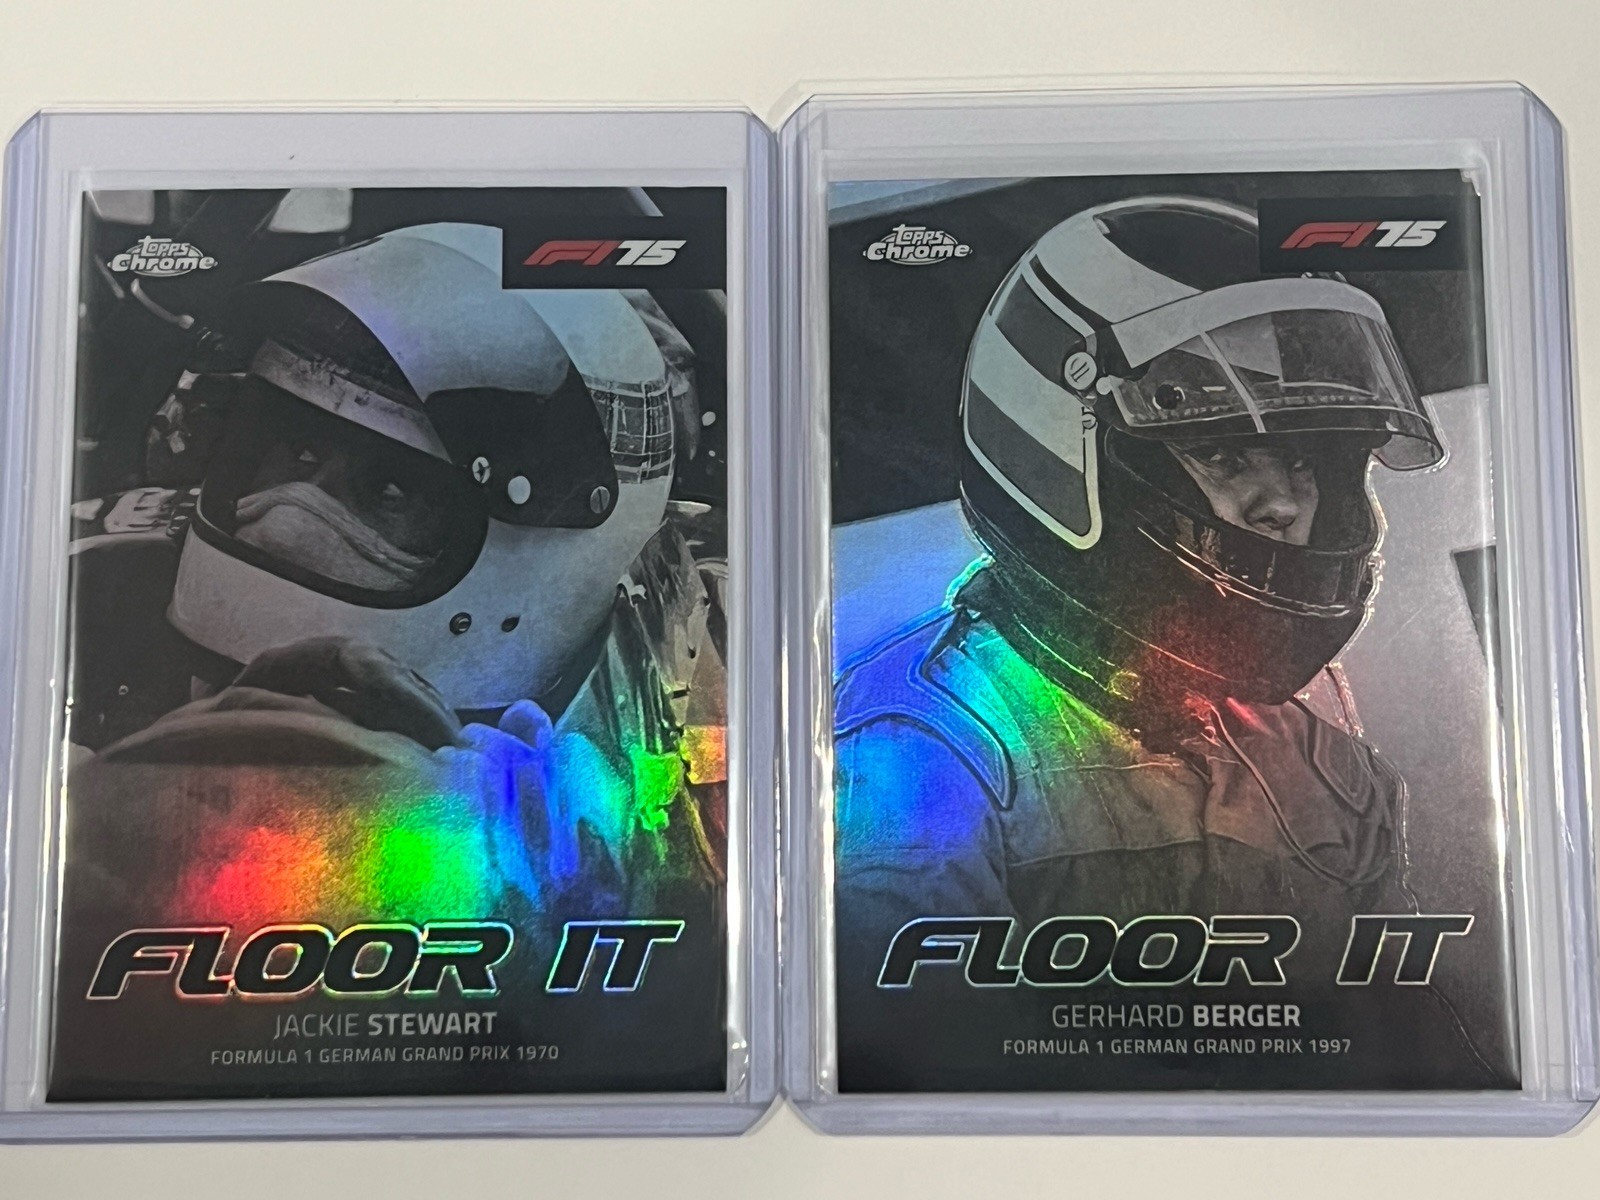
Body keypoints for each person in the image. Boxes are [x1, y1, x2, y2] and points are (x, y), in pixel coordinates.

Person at [831, 196, 1507, 1088]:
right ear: (1064, 461)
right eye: (1223, 455)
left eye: (1303, 460)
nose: (1284, 505)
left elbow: (1421, 1060)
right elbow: (924, 1078)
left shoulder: (1323, 766)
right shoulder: (926, 746)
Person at [64, 223, 726, 945]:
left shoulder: (688, 708)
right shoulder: (77, 590)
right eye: (294, 451)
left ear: (544, 558)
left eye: (389, 491)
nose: (284, 522)